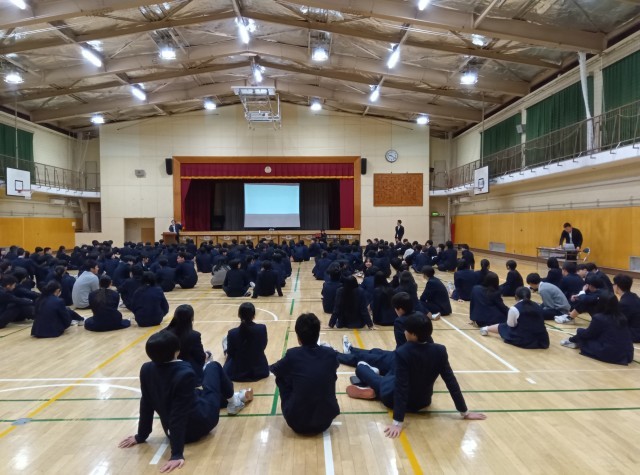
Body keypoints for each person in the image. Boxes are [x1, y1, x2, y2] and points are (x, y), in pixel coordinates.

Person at [119, 331, 253, 473]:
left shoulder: (146, 369)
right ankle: (234, 401)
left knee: (197, 393)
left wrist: (141, 435)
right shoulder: (184, 372)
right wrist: (176, 454)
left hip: (171, 431)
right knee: (213, 367)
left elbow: (146, 403)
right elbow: (178, 414)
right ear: (177, 351)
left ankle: (237, 397)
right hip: (200, 424)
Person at [345, 314, 486, 438]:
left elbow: (401, 387)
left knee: (363, 370)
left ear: (413, 335)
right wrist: (464, 412)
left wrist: (397, 422)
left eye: (406, 330)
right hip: (423, 402)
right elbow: (451, 381)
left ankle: (367, 372)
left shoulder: (403, 352)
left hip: (391, 397)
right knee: (392, 374)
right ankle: (375, 384)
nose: (404, 332)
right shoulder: (440, 350)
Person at [270, 313, 340, 434]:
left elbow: (275, 369)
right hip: (325, 421)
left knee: (282, 377)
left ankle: (296, 407)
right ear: (318, 334)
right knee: (327, 373)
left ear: (298, 337)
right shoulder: (330, 354)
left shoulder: (293, 355)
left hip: (297, 423)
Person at [560, 292, 633, 365]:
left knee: (584, 339)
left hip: (610, 353)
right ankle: (572, 341)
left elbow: (588, 334)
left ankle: (570, 341)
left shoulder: (599, 318)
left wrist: (578, 330)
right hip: (627, 354)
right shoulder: (622, 317)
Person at [479, 286, 549, 349]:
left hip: (525, 341)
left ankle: (486, 328)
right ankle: (486, 328)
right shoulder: (537, 305)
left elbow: (511, 325)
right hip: (542, 340)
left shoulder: (514, 309)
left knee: (504, 327)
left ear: (516, 296)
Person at [223, 302, 269, 382]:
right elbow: (263, 346)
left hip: (237, 373)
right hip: (260, 371)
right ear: (254, 315)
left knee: (224, 340)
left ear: (239, 315)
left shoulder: (232, 333)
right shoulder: (262, 328)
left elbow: (230, 353)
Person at [165, 304, 208, 384]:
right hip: (189, 374)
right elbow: (200, 357)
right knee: (209, 357)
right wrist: (207, 355)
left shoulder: (164, 333)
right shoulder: (194, 335)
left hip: (168, 373)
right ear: (191, 318)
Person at [612, 274, 640, 342]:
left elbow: (619, 323)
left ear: (617, 286)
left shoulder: (624, 303)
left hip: (634, 334)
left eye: (614, 284)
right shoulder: (634, 296)